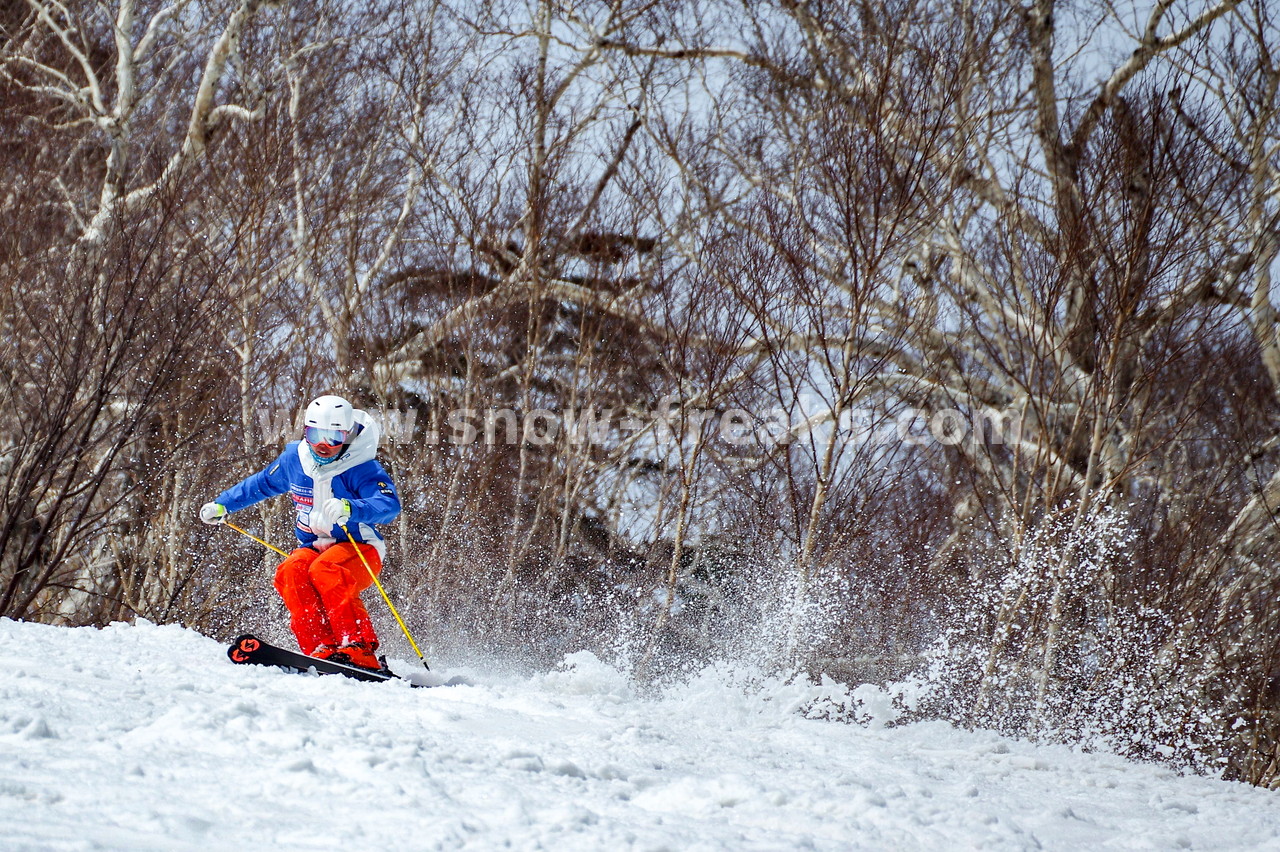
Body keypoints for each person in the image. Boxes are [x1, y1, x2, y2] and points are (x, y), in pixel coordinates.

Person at [200, 394, 401, 671]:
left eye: (333, 437)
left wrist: (352, 508)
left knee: (326, 570)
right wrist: (223, 503)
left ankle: (357, 647)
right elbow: (261, 484)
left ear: (348, 436)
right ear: (305, 431)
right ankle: (322, 647)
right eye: (315, 434)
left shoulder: (362, 468)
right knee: (291, 571)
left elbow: (388, 505)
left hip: (360, 548)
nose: (323, 445)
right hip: (315, 546)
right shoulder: (296, 458)